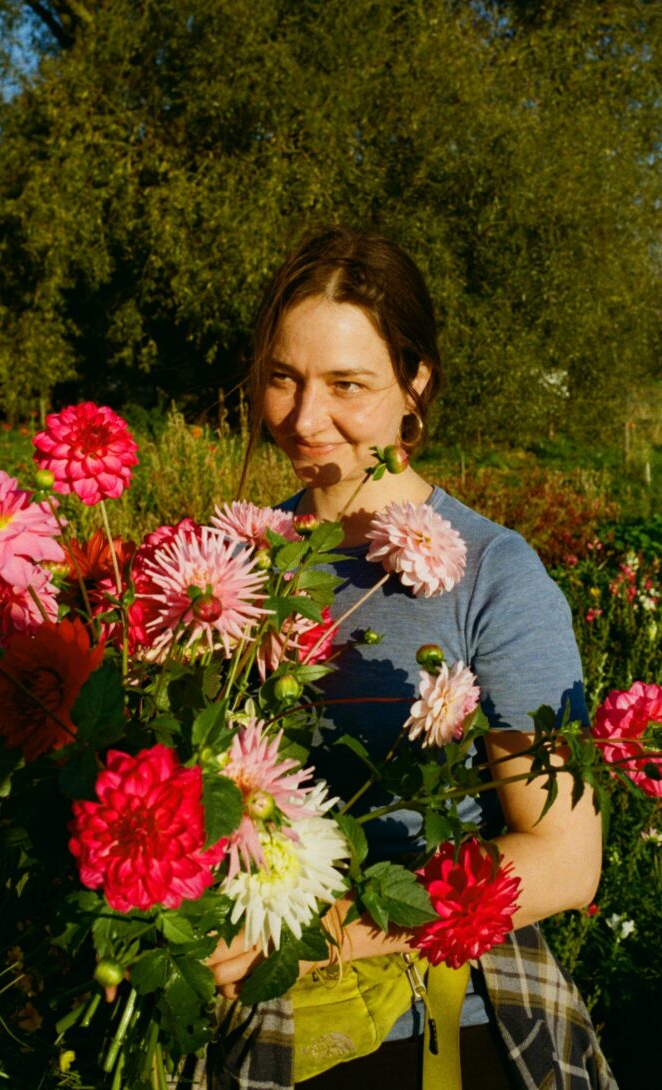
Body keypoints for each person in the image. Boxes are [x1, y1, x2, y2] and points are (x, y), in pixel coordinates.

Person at [207, 227, 616, 1090]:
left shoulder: (495, 576)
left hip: (430, 1010)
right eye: (283, 377)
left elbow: (564, 856)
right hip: (240, 995)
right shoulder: (239, 563)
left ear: (414, 384)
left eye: (346, 385)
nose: (303, 418)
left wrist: (323, 935)